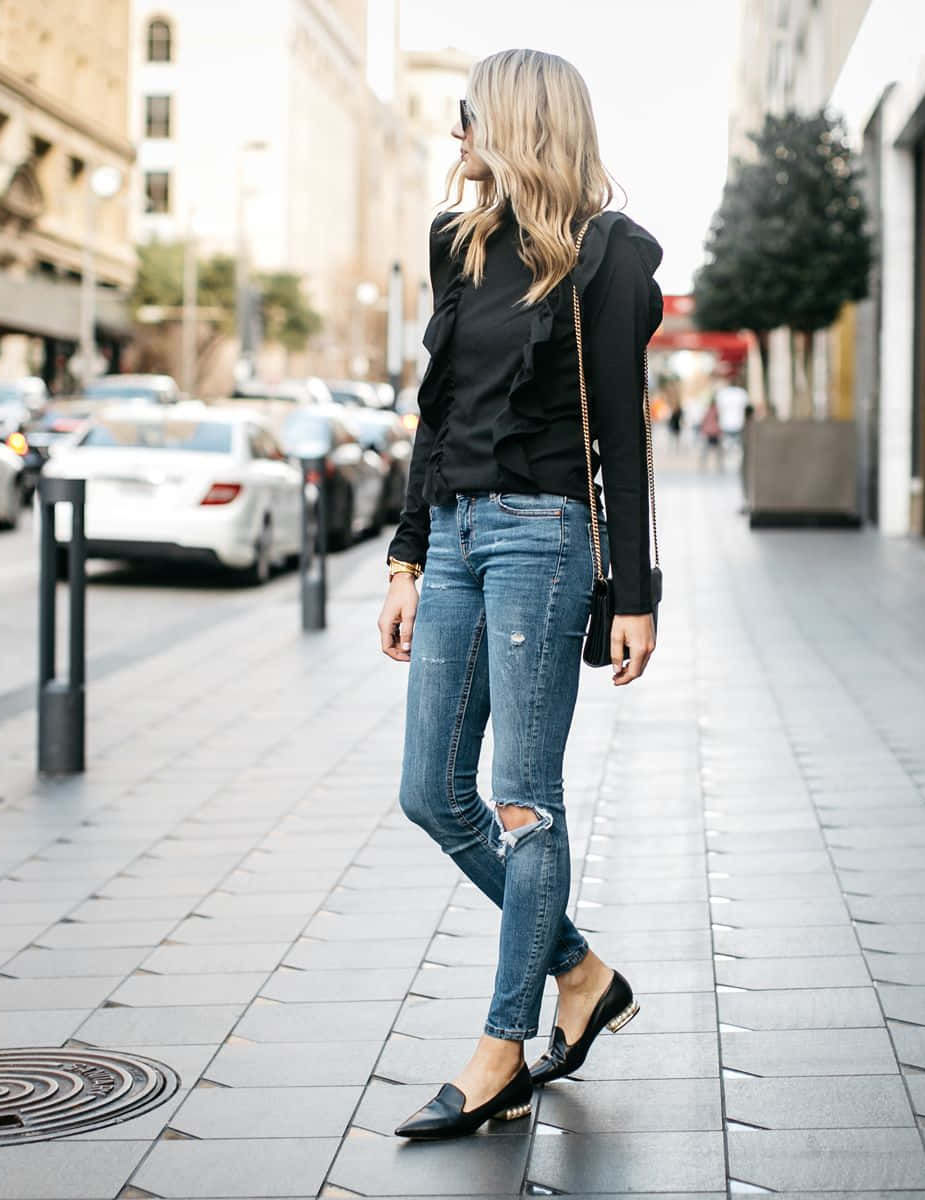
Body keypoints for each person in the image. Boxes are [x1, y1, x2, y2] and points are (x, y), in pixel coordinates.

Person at [376, 47, 662, 1141]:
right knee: (429, 792)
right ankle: (582, 974)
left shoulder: (613, 256)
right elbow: (433, 416)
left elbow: (625, 442)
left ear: (516, 123)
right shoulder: (457, 242)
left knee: (521, 797)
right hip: (451, 533)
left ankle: (503, 1046)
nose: (455, 134)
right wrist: (407, 558)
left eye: (468, 115)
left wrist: (632, 593)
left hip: (544, 539)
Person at [698, 397, 723, 470]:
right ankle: (719, 464)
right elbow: (719, 421)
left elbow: (703, 420)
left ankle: (703, 463)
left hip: (708, 431)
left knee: (706, 450)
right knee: (718, 450)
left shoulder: (708, 410)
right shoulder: (716, 410)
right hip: (715, 432)